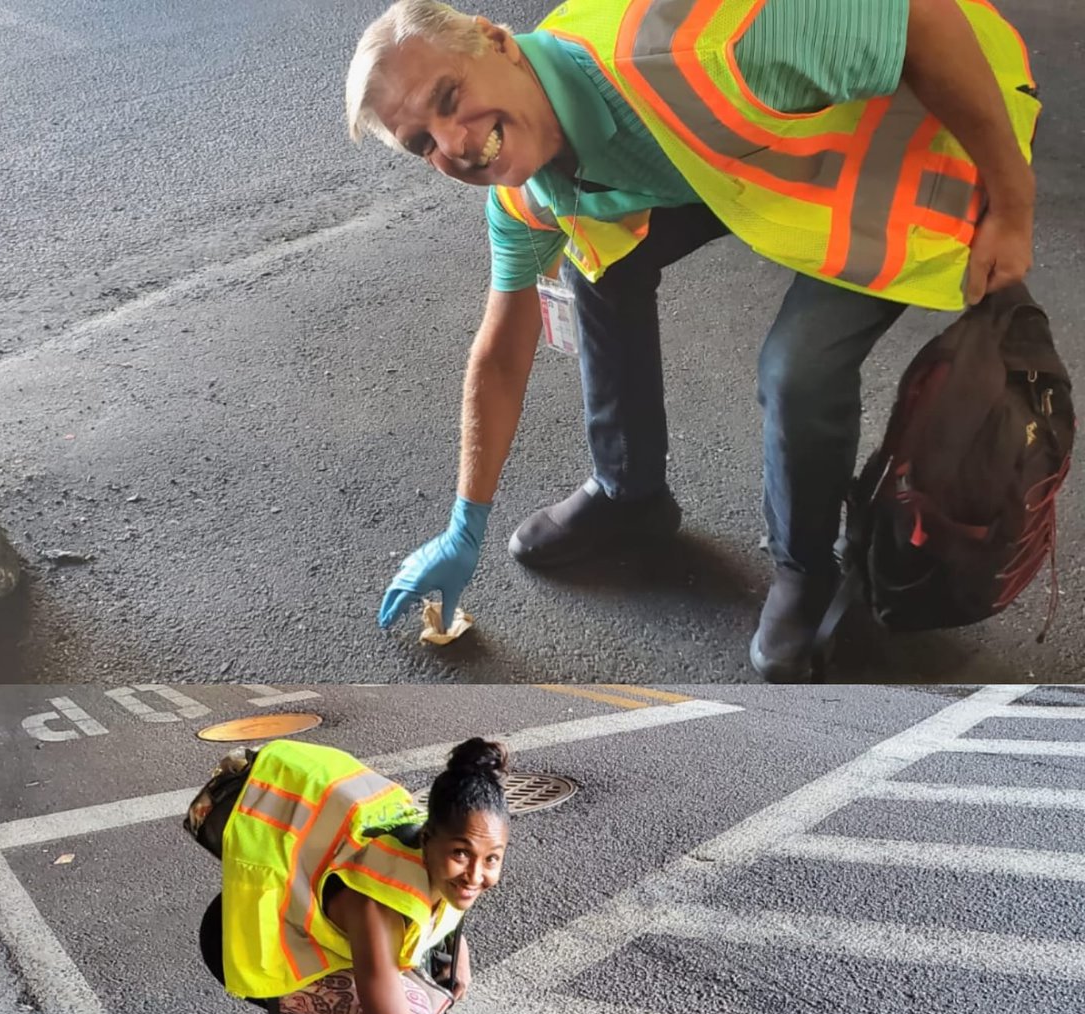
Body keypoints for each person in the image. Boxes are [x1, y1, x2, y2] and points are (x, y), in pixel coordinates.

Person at [346, 0, 1041, 681]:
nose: (456, 144)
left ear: (496, 43)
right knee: (600, 259)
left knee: (798, 367)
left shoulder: (708, 48)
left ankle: (809, 572)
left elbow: (923, 18)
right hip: (761, 146)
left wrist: (1012, 206)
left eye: (449, 96)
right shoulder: (527, 181)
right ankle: (629, 494)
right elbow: (501, 348)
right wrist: (464, 525)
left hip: (919, 128)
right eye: (423, 144)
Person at [192, 736, 522, 1014]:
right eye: (461, 854)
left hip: (320, 937)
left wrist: (456, 954)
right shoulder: (377, 905)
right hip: (254, 941)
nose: (475, 875)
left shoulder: (431, 849)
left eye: (492, 859)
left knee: (432, 995)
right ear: (427, 841)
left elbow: (455, 893)